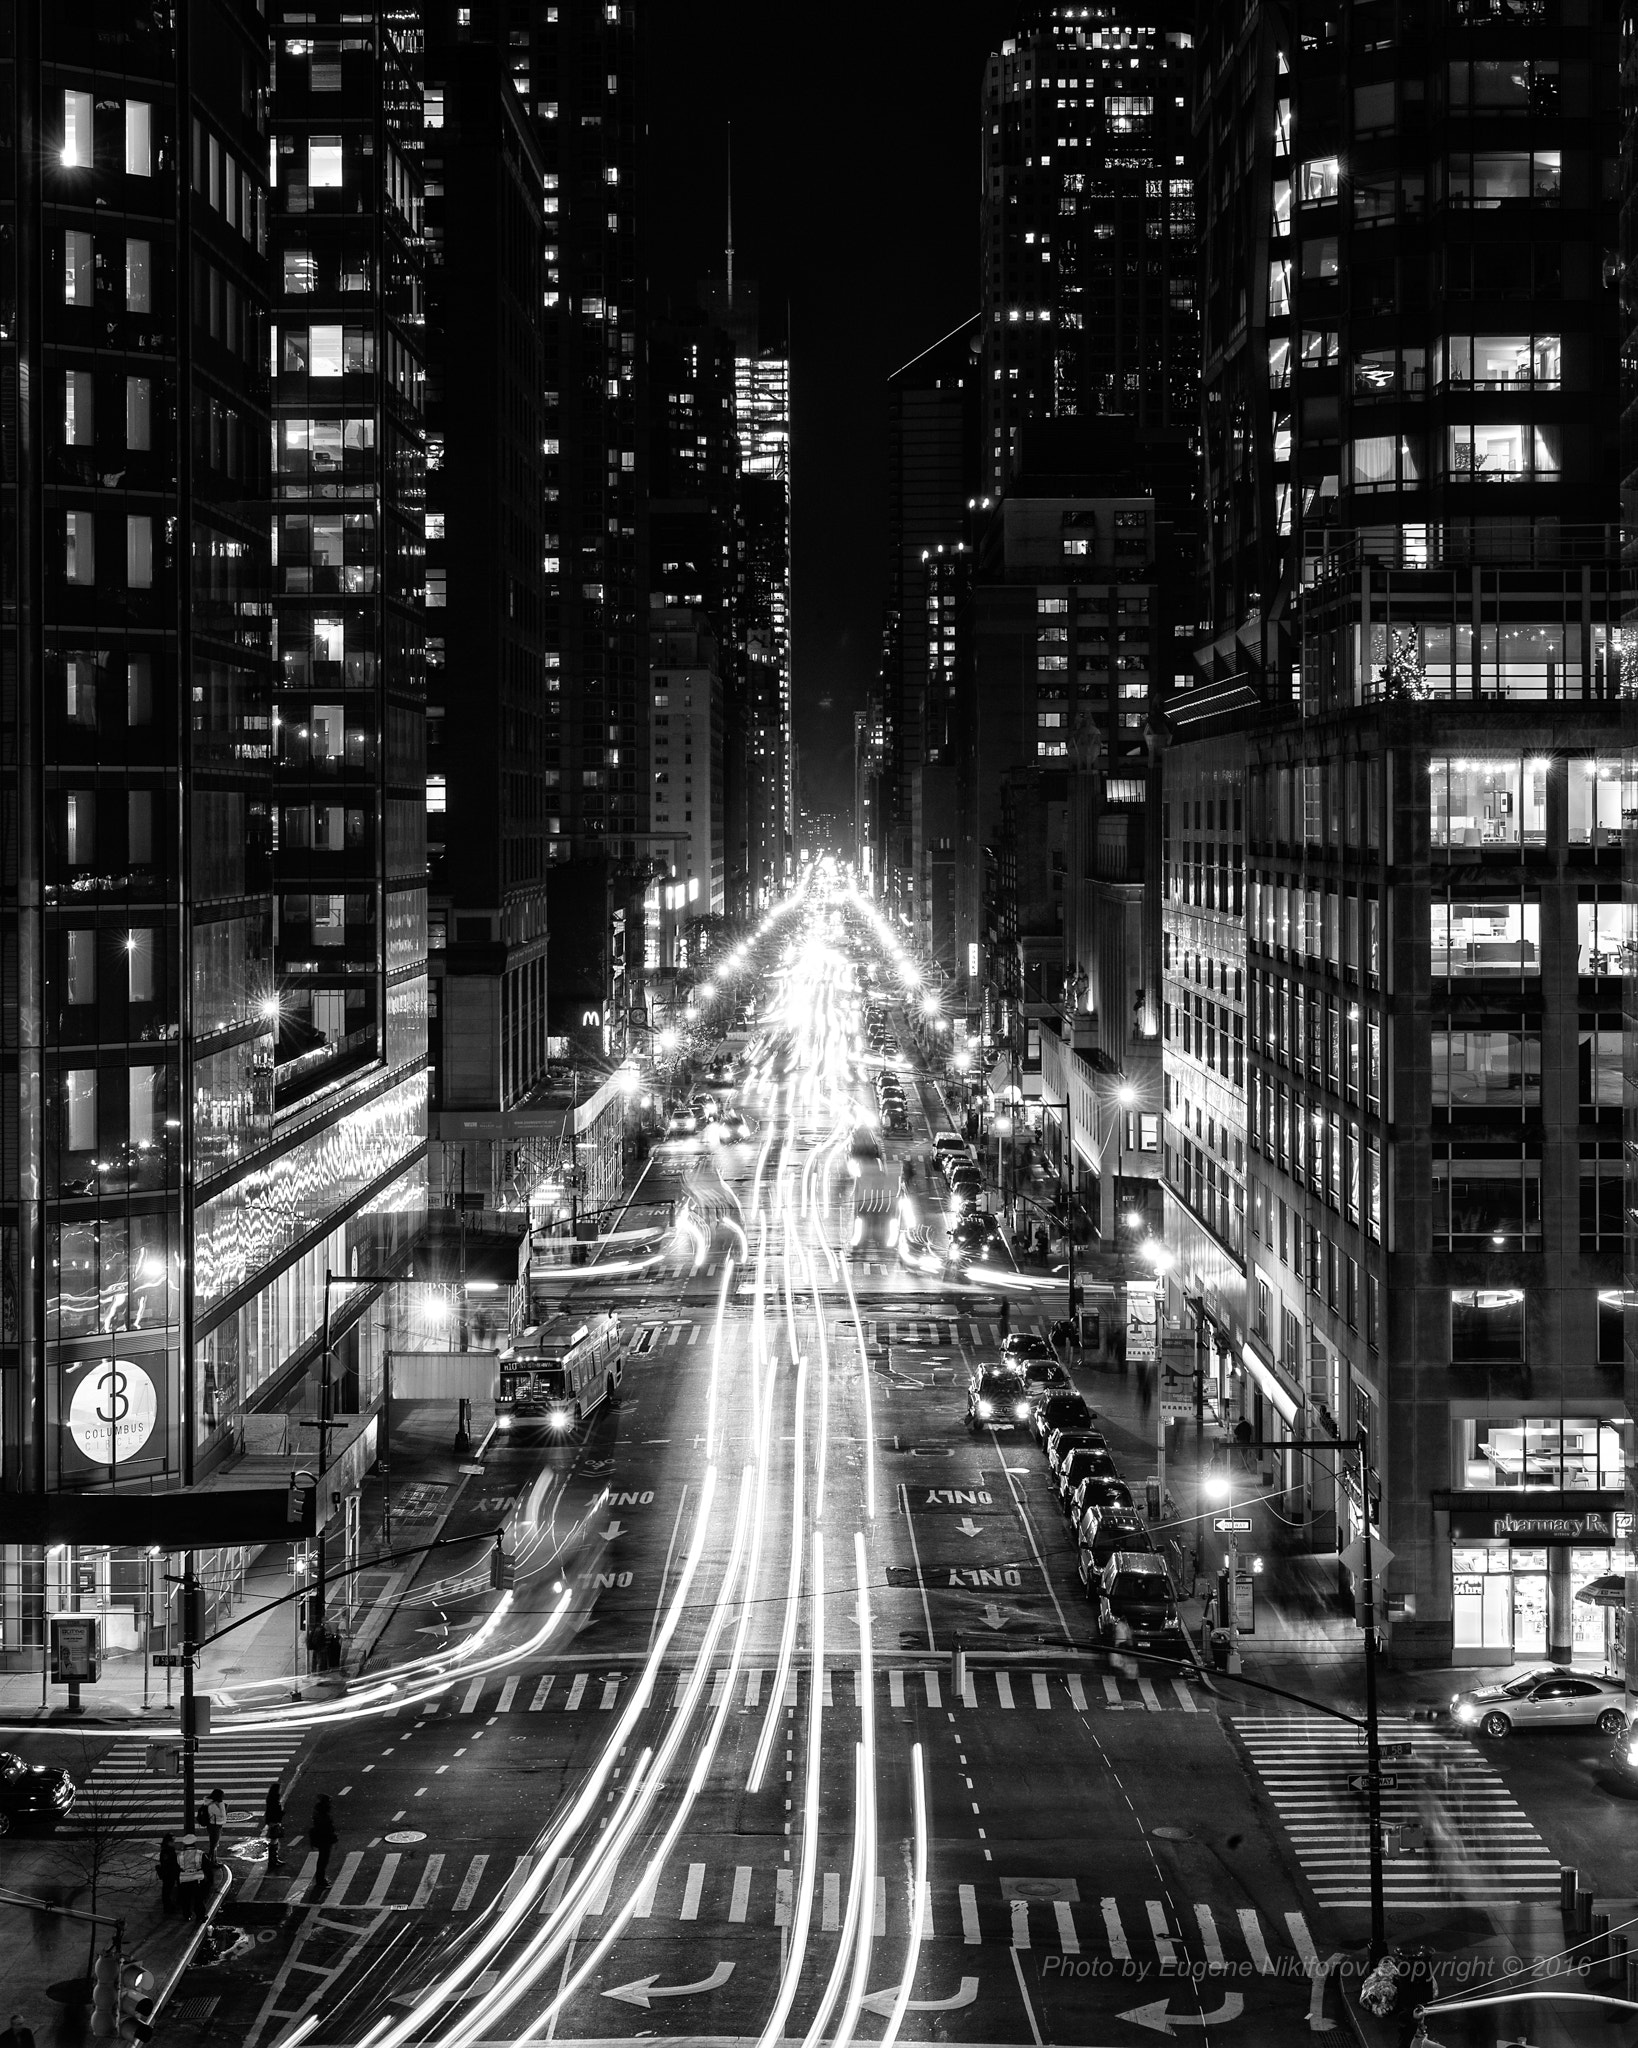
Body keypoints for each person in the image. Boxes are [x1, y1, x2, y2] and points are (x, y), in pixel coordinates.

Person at [309, 1794, 337, 1890]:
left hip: (322, 1839)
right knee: (323, 1860)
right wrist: (333, 1837)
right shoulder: (323, 1815)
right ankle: (320, 1880)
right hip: (325, 1840)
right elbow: (327, 1828)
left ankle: (320, 1879)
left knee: (322, 1860)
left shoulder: (319, 1813)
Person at [176, 1834, 206, 1920]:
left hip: (184, 1880)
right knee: (198, 1900)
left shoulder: (180, 1855)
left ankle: (187, 1915)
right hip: (197, 1880)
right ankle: (200, 1916)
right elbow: (206, 1866)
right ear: (194, 1844)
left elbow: (177, 1868)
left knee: (186, 1900)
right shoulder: (200, 1854)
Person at [156, 1831, 180, 1912]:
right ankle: (168, 1906)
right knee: (167, 1890)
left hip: (169, 1873)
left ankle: (168, 1906)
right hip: (169, 1873)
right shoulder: (167, 1852)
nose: (174, 1843)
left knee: (167, 1889)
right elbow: (168, 1863)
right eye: (172, 1841)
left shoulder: (167, 1850)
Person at [263, 1782, 284, 1872]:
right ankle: (273, 1860)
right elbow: (274, 1812)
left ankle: (274, 1859)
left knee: (274, 1840)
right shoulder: (274, 1800)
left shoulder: (271, 1799)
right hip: (274, 1822)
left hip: (273, 1821)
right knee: (274, 1841)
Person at [205, 1787, 228, 1861]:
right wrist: (222, 1805)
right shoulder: (213, 1805)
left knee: (215, 1844)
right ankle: (211, 1860)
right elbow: (221, 1815)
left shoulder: (212, 1803)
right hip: (214, 1825)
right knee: (214, 1844)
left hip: (214, 1825)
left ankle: (213, 1859)